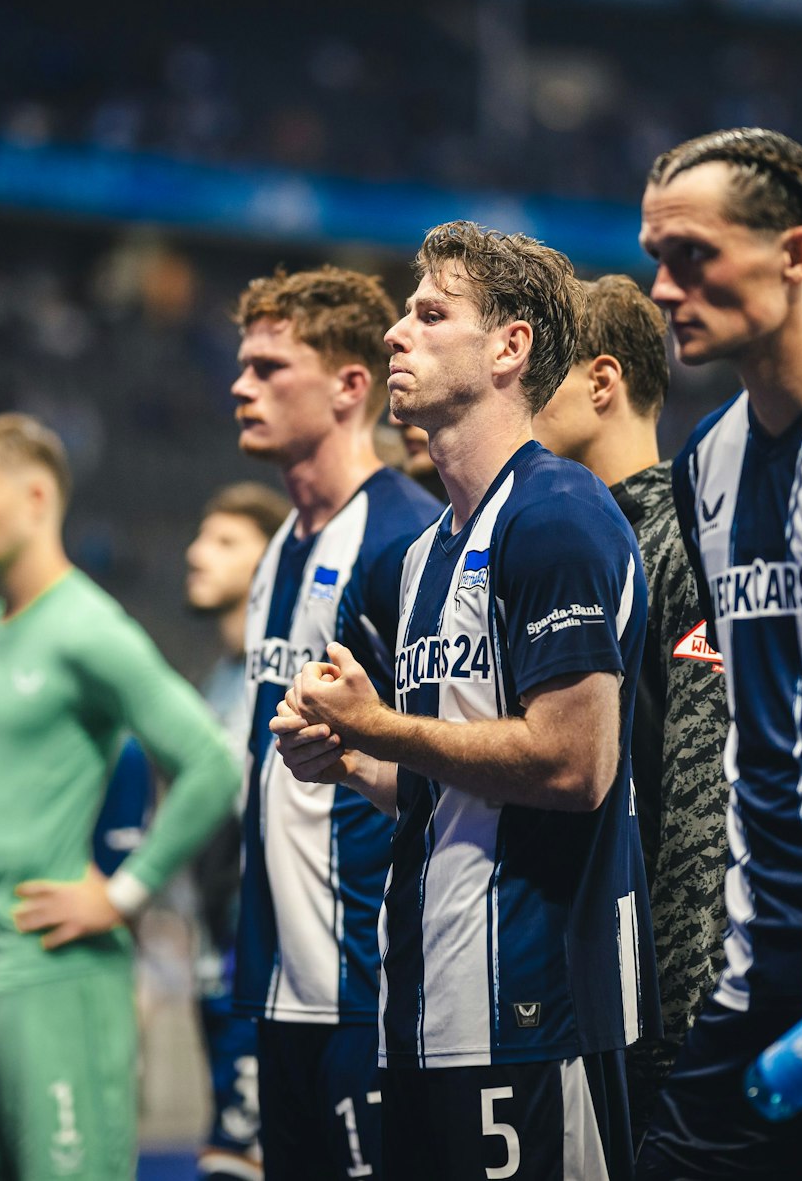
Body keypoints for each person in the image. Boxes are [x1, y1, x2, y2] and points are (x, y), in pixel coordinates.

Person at [274, 221, 657, 1180]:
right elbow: (451, 784)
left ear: (509, 347)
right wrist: (353, 759)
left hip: (535, 1008)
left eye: (431, 313)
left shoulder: (559, 512)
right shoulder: (424, 555)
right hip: (424, 1008)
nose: (398, 332)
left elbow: (575, 764)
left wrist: (381, 725)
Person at [629, 129, 802, 1180]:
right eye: (655, 256)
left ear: (796, 254)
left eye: (691, 254)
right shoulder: (706, 466)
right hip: (753, 976)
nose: (663, 287)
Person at [0, 413, 241, 1180]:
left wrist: (121, 893)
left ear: (34, 497)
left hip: (56, 978)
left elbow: (209, 765)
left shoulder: (88, 627)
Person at [227, 266, 441, 1180]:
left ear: (352, 386)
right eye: (243, 365)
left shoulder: (409, 539)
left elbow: (447, 763)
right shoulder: (280, 545)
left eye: (271, 367)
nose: (242, 385)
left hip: (371, 987)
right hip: (282, 987)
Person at [529, 274, 726, 1136]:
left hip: (654, 1017)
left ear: (602, 384)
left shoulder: (682, 532)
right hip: (574, 998)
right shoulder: (553, 539)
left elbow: (697, 783)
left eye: (542, 374)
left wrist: (672, 1023)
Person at [91, 482, 292, 1180]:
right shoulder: (214, 685)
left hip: (275, 972)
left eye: (226, 541)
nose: (197, 553)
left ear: (273, 561)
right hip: (215, 965)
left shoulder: (295, 673)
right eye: (201, 537)